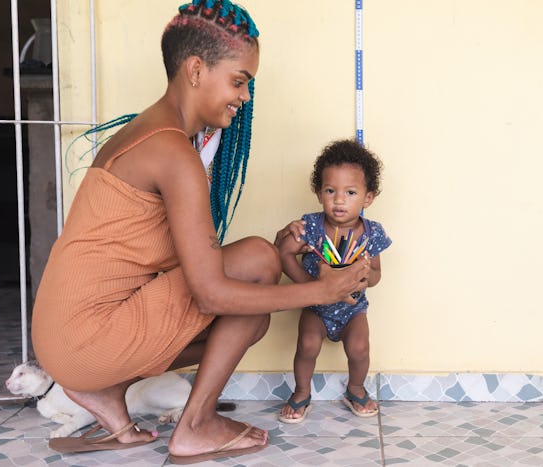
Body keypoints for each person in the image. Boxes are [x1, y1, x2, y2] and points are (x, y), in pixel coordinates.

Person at [31, 1, 369, 464]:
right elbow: (210, 294)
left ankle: (108, 389)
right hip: (86, 337)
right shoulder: (173, 153)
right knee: (255, 265)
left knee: (254, 302)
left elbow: (168, 260)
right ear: (194, 69)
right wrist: (321, 288)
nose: (244, 97)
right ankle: (194, 426)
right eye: (239, 80)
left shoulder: (147, 133)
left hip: (63, 338)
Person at [276, 139, 392, 424]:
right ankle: (302, 392)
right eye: (331, 190)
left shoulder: (372, 232)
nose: (339, 200)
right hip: (316, 308)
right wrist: (308, 287)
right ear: (318, 193)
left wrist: (367, 277)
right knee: (307, 346)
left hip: (353, 309)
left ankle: (355, 389)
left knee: (360, 349)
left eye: (351, 192)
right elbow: (284, 252)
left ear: (368, 198)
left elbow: (376, 274)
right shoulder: (310, 226)